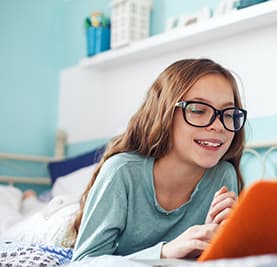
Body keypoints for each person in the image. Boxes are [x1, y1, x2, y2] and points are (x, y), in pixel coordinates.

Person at [70, 58, 247, 261]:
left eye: (228, 114)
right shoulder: (122, 172)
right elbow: (84, 260)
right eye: (198, 110)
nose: (219, 126)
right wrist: (164, 252)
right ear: (164, 112)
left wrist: (218, 238)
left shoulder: (223, 174)